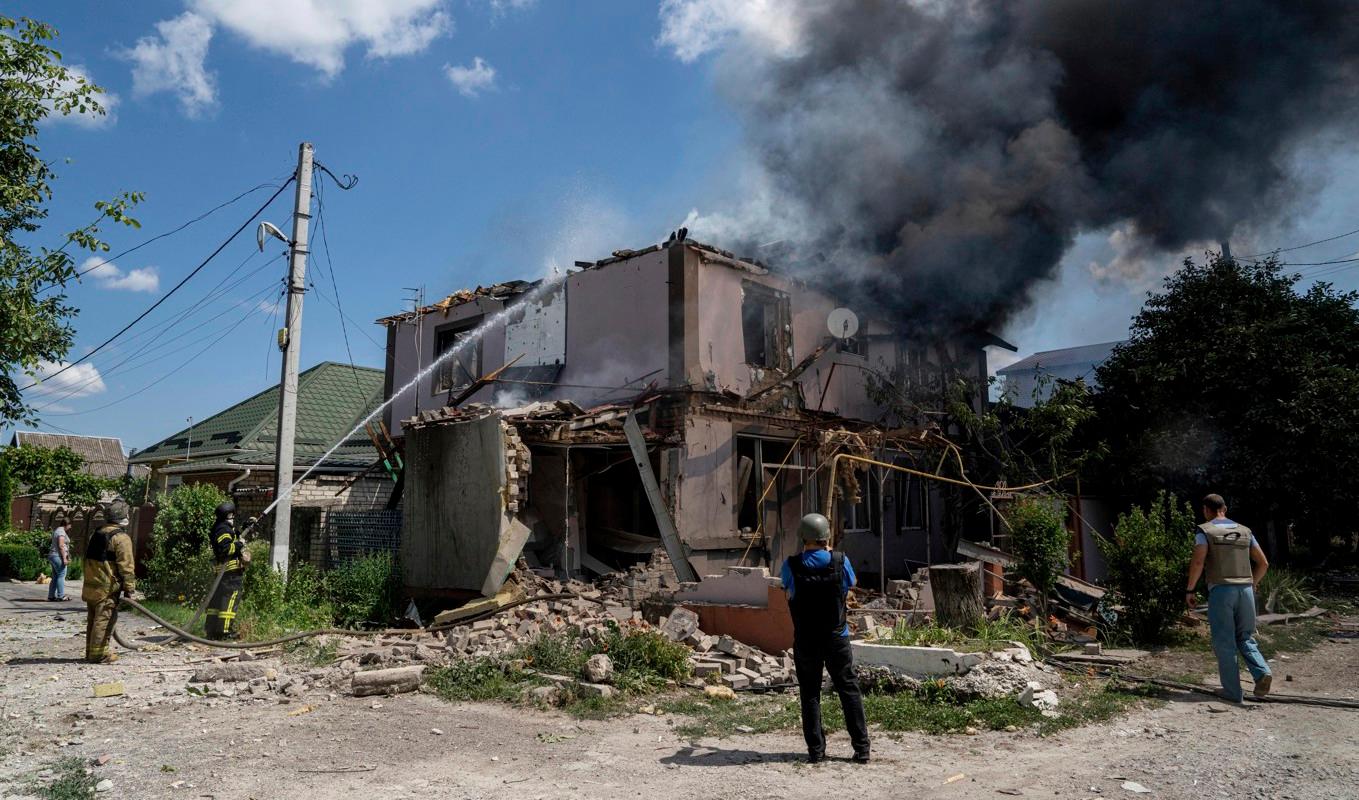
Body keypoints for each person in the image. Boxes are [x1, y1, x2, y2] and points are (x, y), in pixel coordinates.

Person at [781, 513, 871, 764]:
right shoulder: (840, 561)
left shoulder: (791, 565)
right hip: (836, 637)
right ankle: (862, 748)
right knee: (848, 689)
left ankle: (816, 751)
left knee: (810, 693)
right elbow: (851, 582)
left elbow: (786, 590)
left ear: (802, 537)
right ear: (826, 537)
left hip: (806, 640)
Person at [1185, 493, 1272, 703]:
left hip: (1222, 591)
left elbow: (1198, 562)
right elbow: (1263, 563)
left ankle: (1233, 692)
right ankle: (1262, 672)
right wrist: (1252, 583)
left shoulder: (1204, 531)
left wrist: (1190, 590)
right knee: (1245, 637)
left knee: (1225, 641)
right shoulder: (1245, 531)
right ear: (1224, 509)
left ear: (1207, 510)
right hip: (1246, 591)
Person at [82, 500, 137, 664]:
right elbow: (126, 566)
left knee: (93, 620)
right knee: (104, 621)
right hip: (107, 587)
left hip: (91, 584)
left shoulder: (97, 533)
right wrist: (129, 589)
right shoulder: (121, 538)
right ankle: (99, 655)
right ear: (123, 516)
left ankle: (90, 652)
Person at [205, 501, 249, 640]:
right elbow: (225, 549)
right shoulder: (223, 529)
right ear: (229, 515)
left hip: (224, 574)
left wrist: (247, 527)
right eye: (233, 515)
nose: (234, 518)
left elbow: (234, 536)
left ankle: (212, 631)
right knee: (229, 601)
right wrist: (239, 544)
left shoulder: (220, 527)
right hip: (231, 574)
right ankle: (224, 632)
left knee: (217, 602)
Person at [47, 514, 70, 602]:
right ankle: (61, 595)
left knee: (55, 576)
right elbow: (61, 545)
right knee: (61, 575)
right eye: (70, 525)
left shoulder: (57, 530)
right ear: (67, 524)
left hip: (53, 555)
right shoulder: (61, 532)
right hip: (58, 556)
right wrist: (64, 558)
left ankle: (51, 596)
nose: (70, 527)